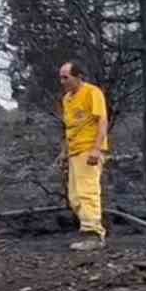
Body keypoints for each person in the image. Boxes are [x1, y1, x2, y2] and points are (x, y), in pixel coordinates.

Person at [57, 61, 109, 251]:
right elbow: (69, 127)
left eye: (66, 77)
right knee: (75, 197)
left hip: (89, 150)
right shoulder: (67, 100)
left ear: (78, 76)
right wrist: (64, 152)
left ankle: (93, 235)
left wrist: (97, 149)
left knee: (87, 192)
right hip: (75, 151)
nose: (62, 81)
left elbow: (102, 120)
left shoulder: (92, 93)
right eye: (61, 77)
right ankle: (90, 229)